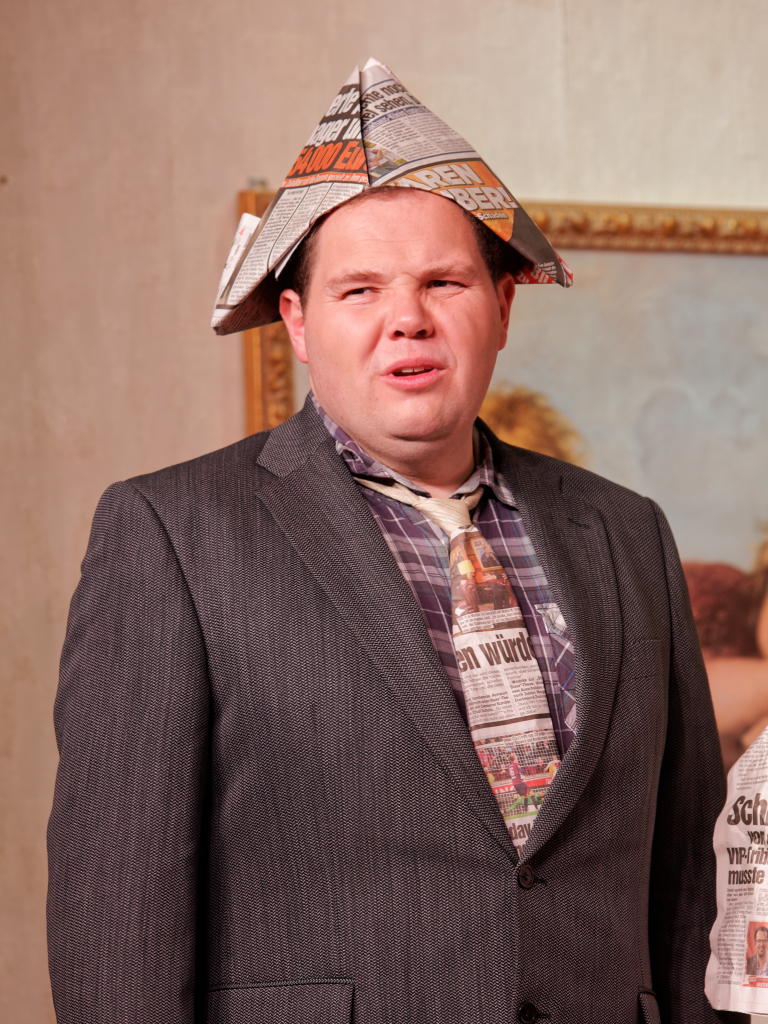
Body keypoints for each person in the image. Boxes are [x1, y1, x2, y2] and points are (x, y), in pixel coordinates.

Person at [47, 94, 741, 1024]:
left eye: (443, 283)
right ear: (297, 323)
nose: (407, 320)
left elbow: (690, 878)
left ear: (502, 306)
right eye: (360, 290)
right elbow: (115, 922)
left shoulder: (628, 531)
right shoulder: (170, 532)